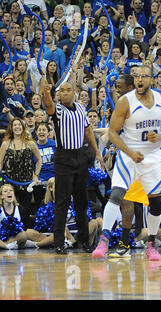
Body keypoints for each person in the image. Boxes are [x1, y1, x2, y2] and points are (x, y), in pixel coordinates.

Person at [91, 65, 161, 261]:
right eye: (137, 76)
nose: (140, 79)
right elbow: (112, 133)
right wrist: (130, 152)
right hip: (128, 155)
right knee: (117, 195)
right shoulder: (125, 102)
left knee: (156, 203)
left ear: (151, 80)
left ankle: (151, 243)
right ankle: (104, 240)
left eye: (144, 76)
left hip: (153, 158)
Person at [43, 82, 103, 254]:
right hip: (63, 158)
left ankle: (83, 242)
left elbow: (88, 131)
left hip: (81, 157)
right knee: (62, 202)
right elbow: (48, 105)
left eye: (69, 90)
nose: (66, 93)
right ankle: (59, 242)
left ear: (75, 93)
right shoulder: (58, 110)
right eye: (62, 91)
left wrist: (97, 151)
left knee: (81, 202)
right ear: (59, 95)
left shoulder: (81, 108)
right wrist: (47, 92)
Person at [0, 118, 42, 229]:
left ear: (23, 128)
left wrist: (36, 175)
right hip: (10, 183)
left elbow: (39, 160)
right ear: (11, 128)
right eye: (15, 125)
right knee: (9, 209)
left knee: (25, 211)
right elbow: (0, 163)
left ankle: (26, 234)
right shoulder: (5, 144)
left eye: (19, 125)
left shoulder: (30, 143)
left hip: (26, 183)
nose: (17, 127)